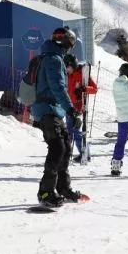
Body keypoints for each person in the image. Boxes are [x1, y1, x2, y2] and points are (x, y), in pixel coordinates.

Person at [29, 27, 84, 207]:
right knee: (57, 148)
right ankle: (45, 192)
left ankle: (63, 188)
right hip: (47, 109)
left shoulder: (52, 56)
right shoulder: (53, 59)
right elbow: (57, 87)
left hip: (53, 109)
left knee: (65, 148)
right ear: (67, 43)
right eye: (71, 44)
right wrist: (71, 109)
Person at [66, 56, 97, 163]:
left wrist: (84, 89)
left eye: (68, 67)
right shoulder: (67, 75)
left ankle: (84, 154)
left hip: (79, 107)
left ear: (73, 65)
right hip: (69, 106)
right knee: (68, 131)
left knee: (76, 131)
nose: (67, 70)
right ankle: (67, 153)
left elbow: (95, 89)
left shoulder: (83, 74)